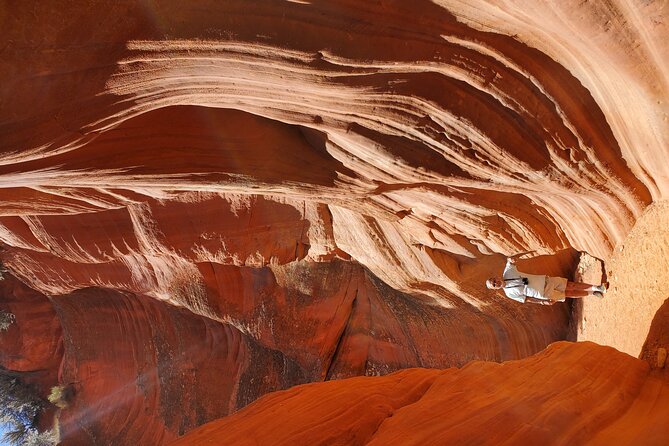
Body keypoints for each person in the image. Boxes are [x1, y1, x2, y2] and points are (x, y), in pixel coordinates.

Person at [486, 255, 608, 305]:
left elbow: (510, 261)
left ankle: (597, 287)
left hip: (546, 281)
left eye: (494, 280)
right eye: (494, 285)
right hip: (544, 294)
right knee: (569, 294)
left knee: (571, 285)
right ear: (495, 288)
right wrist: (542, 302)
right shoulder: (509, 293)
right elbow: (527, 299)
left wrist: (511, 259)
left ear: (496, 277)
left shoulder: (507, 272)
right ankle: (593, 293)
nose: (496, 283)